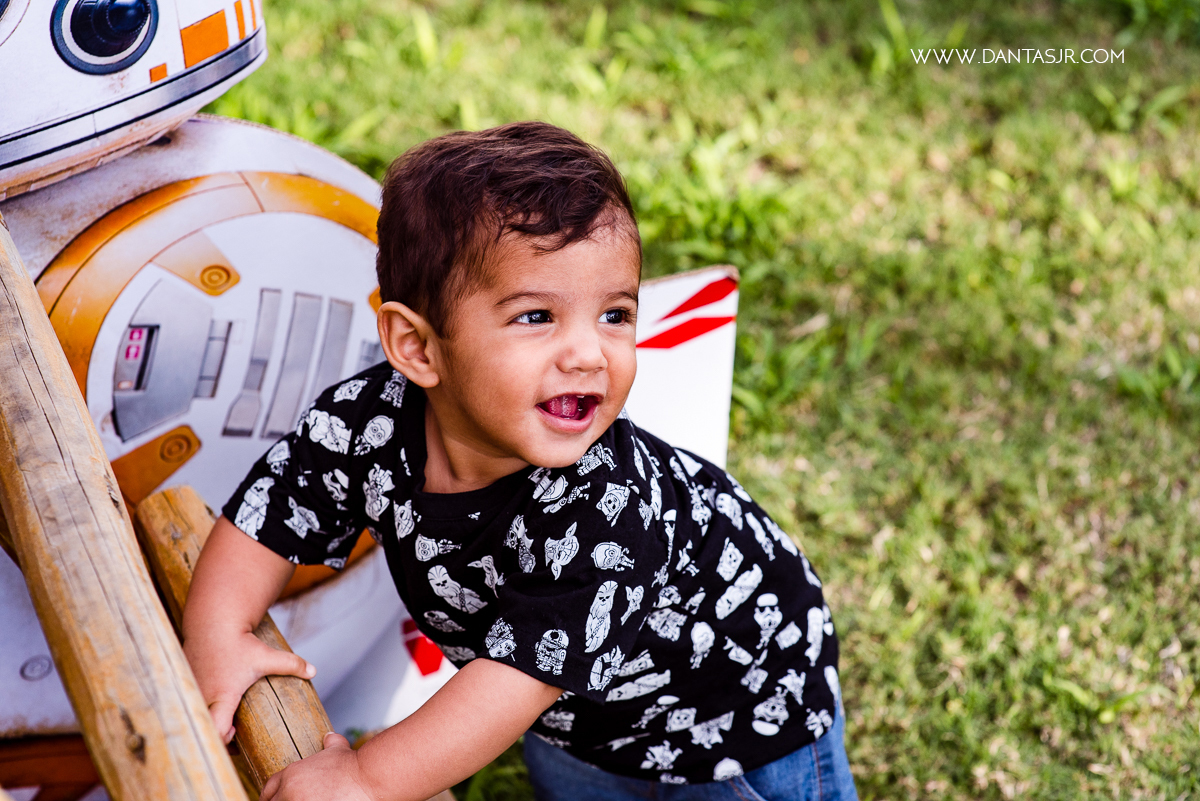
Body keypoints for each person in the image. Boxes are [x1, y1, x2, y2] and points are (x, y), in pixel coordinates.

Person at [182, 121, 857, 801]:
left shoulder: (605, 505)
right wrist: (219, 635)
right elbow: (270, 511)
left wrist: (364, 777)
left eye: (615, 314)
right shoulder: (368, 424)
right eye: (537, 317)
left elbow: (513, 682)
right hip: (582, 725)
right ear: (417, 347)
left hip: (739, 722)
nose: (589, 353)